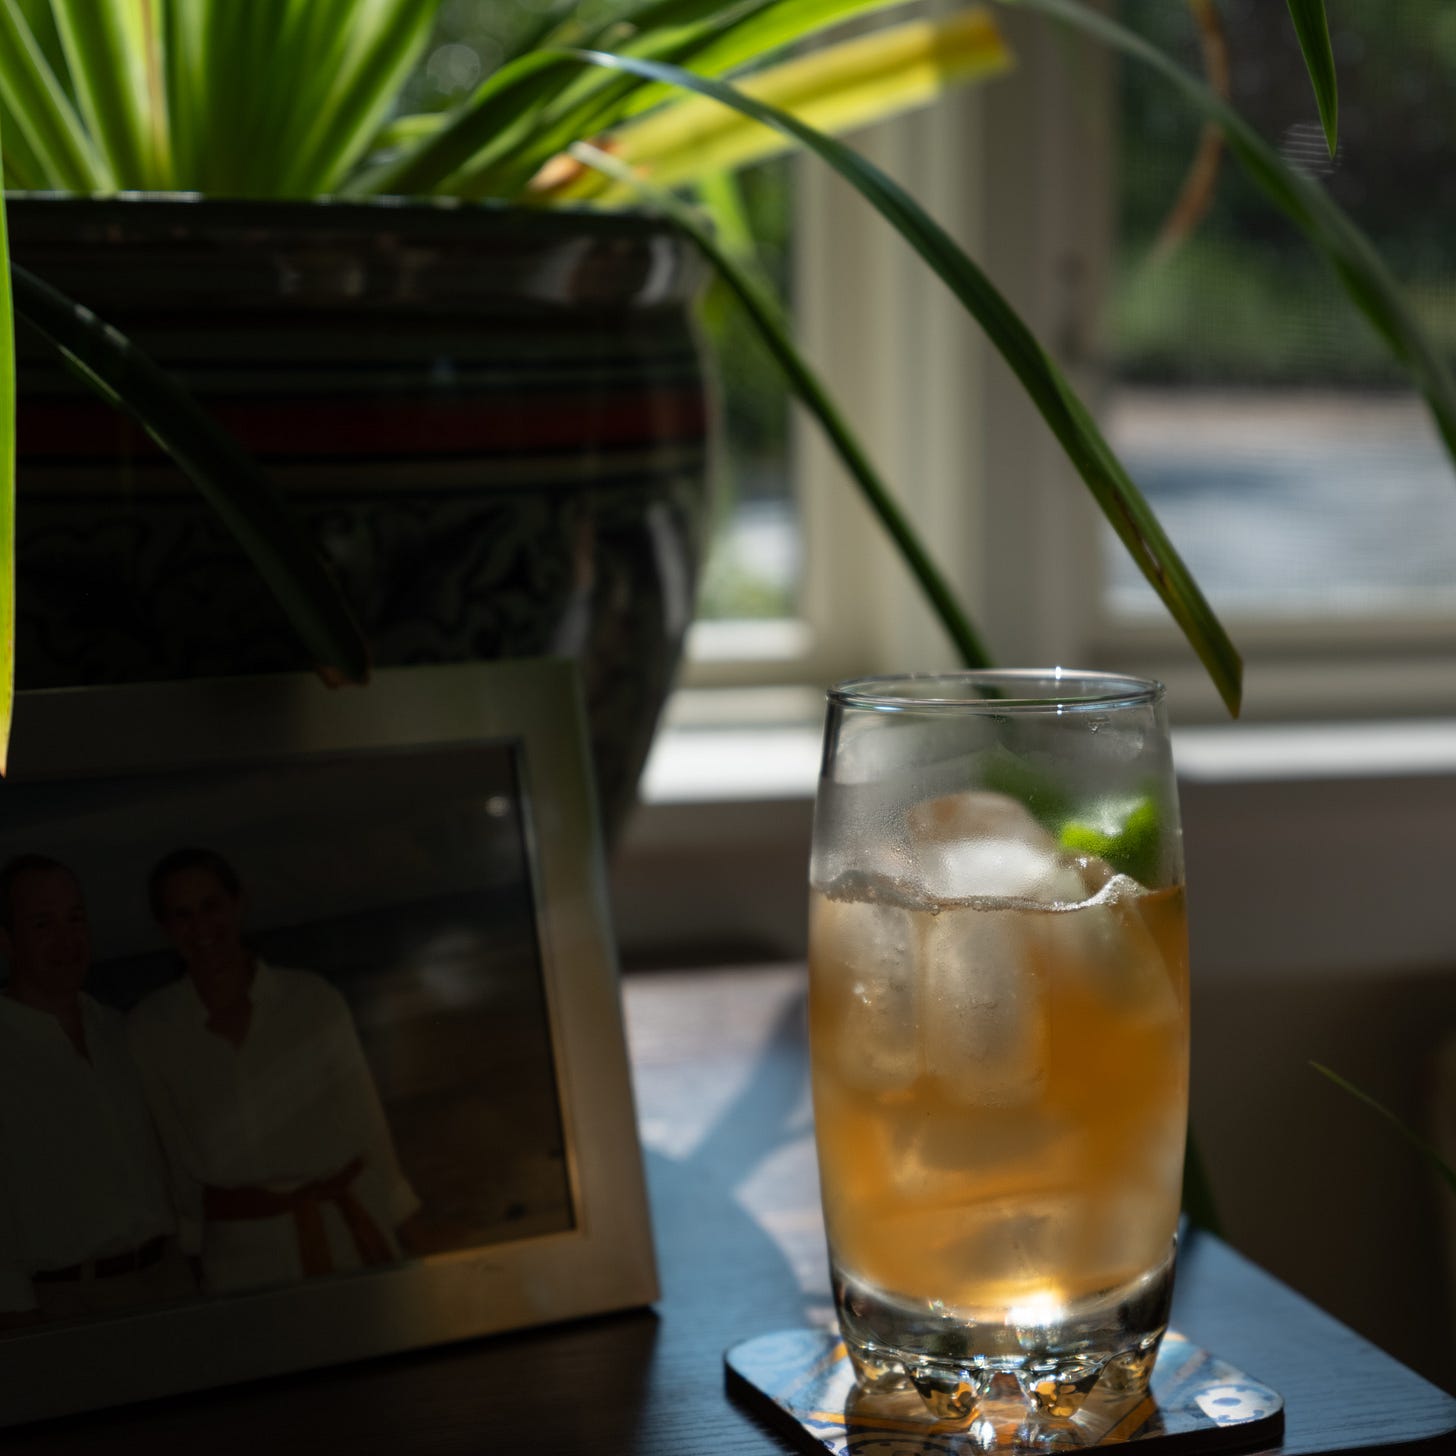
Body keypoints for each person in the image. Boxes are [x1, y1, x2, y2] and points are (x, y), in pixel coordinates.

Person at [127, 847, 420, 1297]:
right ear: (165, 927)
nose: (201, 927)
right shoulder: (151, 1028)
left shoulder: (313, 1000)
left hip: (344, 1233)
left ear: (238, 903)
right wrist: (191, 1249)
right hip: (238, 1258)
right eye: (182, 915)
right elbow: (168, 1150)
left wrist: (403, 1218)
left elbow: (367, 1121)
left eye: (211, 906)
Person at [0, 854, 190, 1323]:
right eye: (42, 924)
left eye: (76, 918)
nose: (66, 939)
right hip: (66, 1299)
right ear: (6, 940)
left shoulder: (120, 1031)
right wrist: (15, 1311)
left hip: (169, 1278)